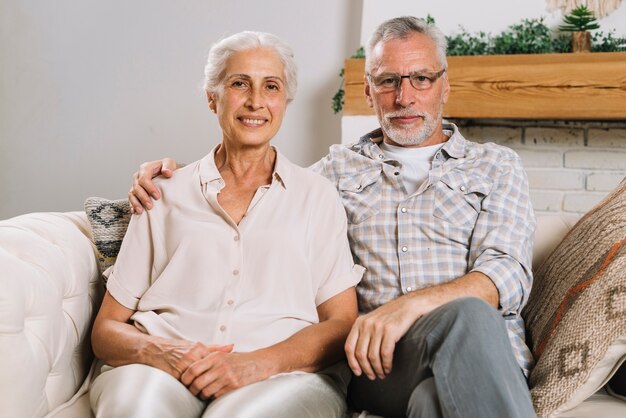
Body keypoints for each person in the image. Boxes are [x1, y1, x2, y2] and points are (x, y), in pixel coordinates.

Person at [129, 17, 537, 418]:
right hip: (381, 367)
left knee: (437, 390)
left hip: (484, 358)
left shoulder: (495, 166)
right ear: (369, 91)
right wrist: (178, 177)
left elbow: (509, 273)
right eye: (388, 80)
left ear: (445, 85)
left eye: (421, 79)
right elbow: (256, 189)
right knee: (459, 328)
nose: (405, 97)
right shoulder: (333, 175)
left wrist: (407, 307)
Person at [90, 31, 364, 418]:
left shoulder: (317, 196)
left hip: (279, 376)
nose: (255, 101)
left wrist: (258, 363)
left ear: (284, 101)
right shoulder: (161, 193)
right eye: (239, 84)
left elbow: (341, 323)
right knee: (138, 410)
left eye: (271, 86)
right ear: (211, 97)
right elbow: (106, 331)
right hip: (160, 368)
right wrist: (162, 352)